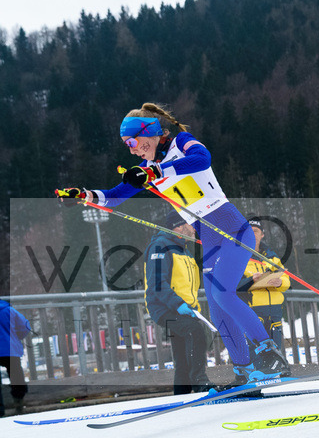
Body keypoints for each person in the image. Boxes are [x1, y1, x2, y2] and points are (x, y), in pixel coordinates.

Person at [56, 103, 287, 386]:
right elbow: (115, 197)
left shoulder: (180, 142)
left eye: (133, 142)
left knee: (225, 294)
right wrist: (84, 194)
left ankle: (268, 352)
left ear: (149, 134)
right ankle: (246, 371)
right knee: (216, 306)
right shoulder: (146, 168)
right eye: (126, 145)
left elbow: (203, 159)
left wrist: (157, 171)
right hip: (211, 240)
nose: (131, 149)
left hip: (233, 230)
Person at [143, 211, 212, 395]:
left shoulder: (183, 249)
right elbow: (157, 284)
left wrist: (192, 307)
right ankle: (200, 382)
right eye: (192, 225)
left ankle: (181, 393)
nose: (195, 229)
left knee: (182, 353)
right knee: (195, 331)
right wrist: (179, 305)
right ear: (179, 226)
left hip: (183, 308)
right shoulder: (160, 246)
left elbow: (187, 284)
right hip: (165, 307)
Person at [237, 217, 290, 352]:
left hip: (275, 309)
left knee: (277, 347)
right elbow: (233, 286)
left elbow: (286, 279)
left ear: (262, 235)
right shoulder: (239, 256)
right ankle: (260, 371)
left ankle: (280, 369)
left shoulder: (272, 256)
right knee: (257, 347)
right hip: (254, 309)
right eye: (249, 231)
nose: (253, 234)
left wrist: (279, 282)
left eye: (255, 231)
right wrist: (251, 281)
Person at [1, 298, 32, 414]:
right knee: (16, 375)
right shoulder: (9, 310)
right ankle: (19, 403)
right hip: (10, 348)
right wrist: (16, 337)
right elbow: (25, 326)